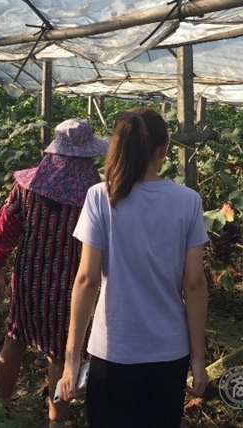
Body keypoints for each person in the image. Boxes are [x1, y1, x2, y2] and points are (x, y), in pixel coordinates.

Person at [59, 107, 210, 428]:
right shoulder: (188, 201)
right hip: (169, 350)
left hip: (114, 349)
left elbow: (86, 280)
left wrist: (71, 359)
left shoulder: (100, 197)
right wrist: (198, 359)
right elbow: (195, 283)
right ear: (164, 149)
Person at [0, 118, 109, 428]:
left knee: (15, 338)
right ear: (88, 151)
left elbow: (6, 226)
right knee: (59, 354)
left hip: (29, 278)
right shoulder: (95, 194)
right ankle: (56, 422)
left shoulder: (27, 186)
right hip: (71, 285)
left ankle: (2, 405)